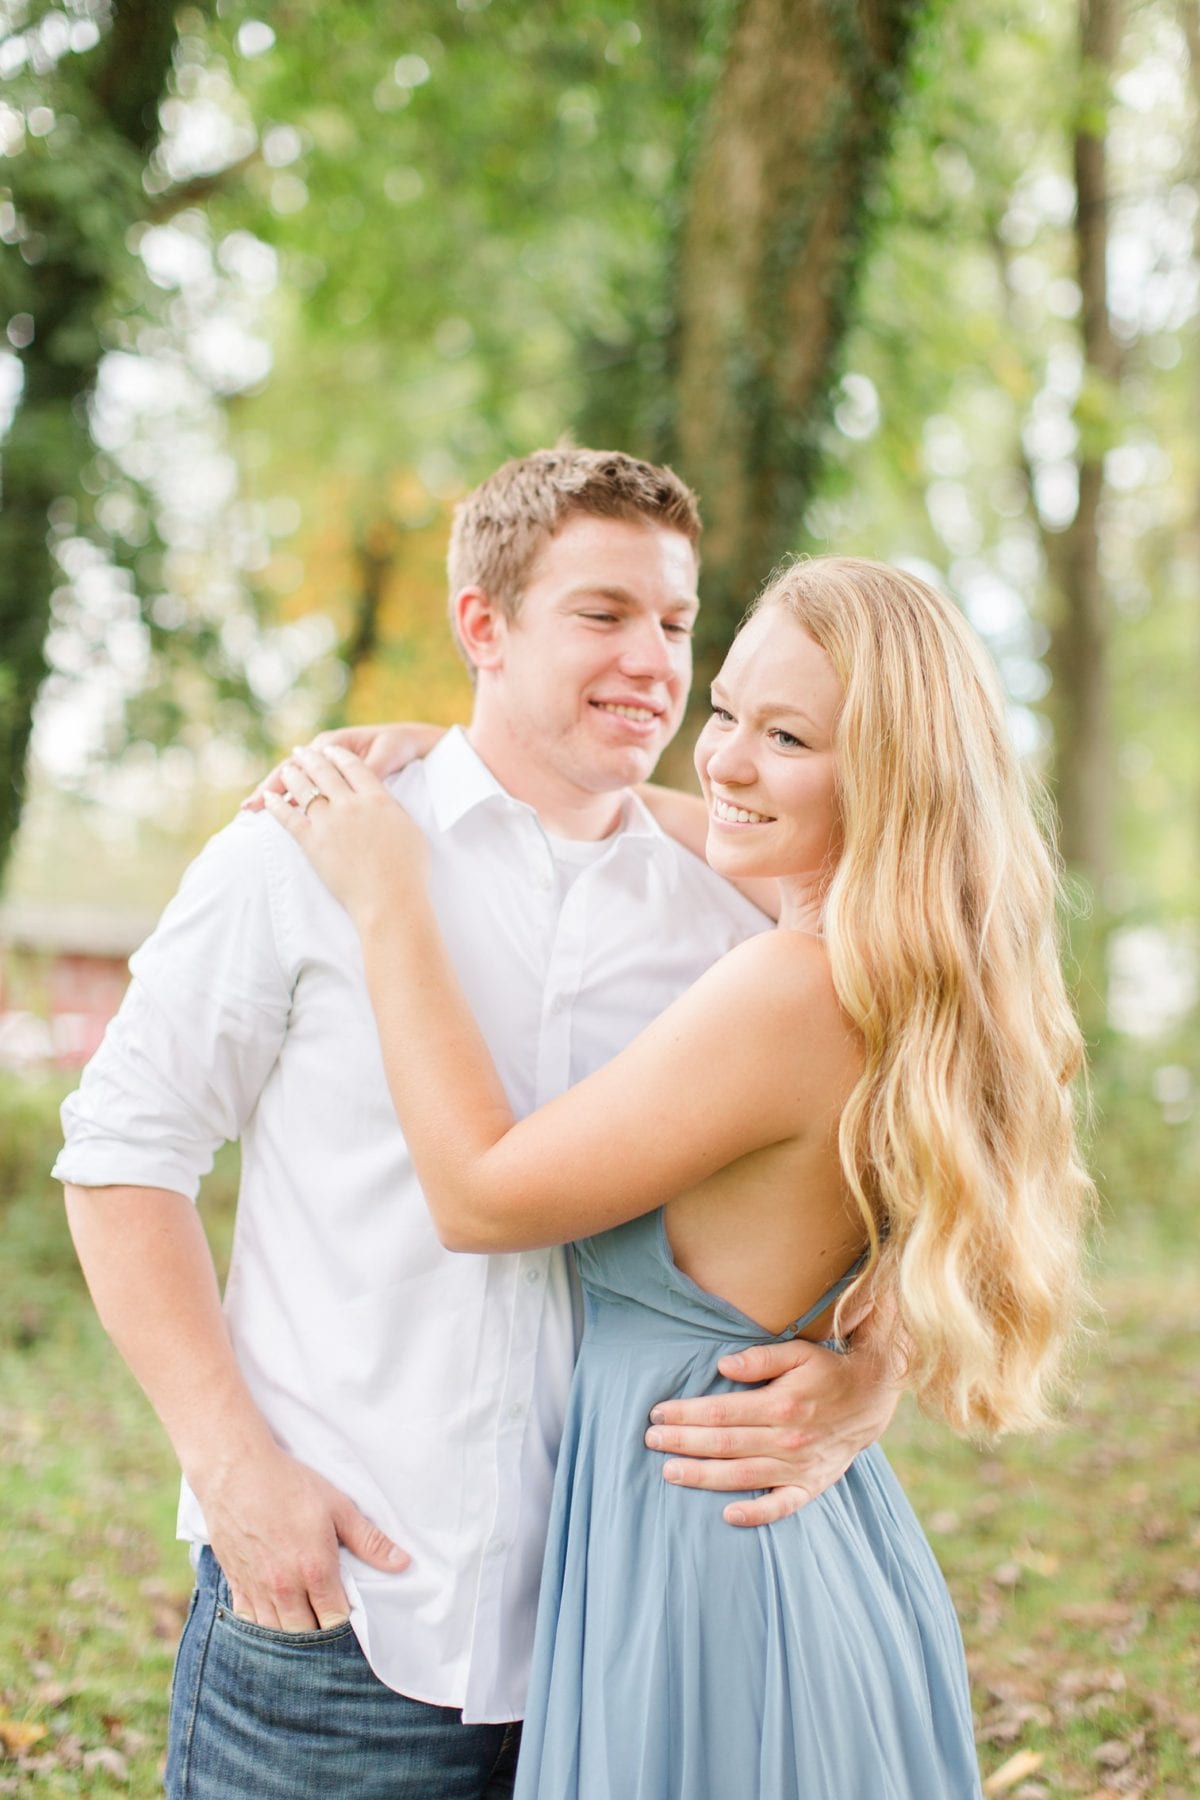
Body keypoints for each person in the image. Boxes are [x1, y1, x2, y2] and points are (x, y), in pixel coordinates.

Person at [54, 451, 900, 1800]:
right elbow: (120, 1155)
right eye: (604, 614)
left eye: (677, 625)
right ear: (482, 626)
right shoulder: (309, 850)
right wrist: (232, 1470)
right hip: (341, 1616)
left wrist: (875, 1368)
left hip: (620, 1625)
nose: (653, 662)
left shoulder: (727, 916)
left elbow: (908, 1169)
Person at [265, 554, 1094, 1800]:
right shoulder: (902, 971)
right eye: (726, 713)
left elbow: (482, 1196)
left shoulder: (787, 988)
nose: (726, 762)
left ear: (887, 779)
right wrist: (461, 764)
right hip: (791, 1540)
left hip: (713, 1575)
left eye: (788, 736)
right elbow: (707, 817)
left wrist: (391, 899)